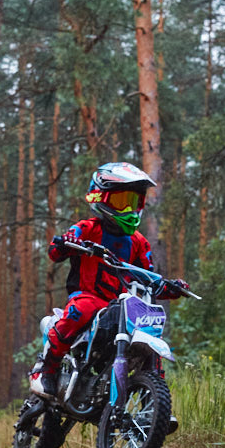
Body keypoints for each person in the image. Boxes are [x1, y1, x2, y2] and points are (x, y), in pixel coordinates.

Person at [30, 162, 187, 402]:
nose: (128, 209)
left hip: (121, 306)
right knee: (82, 309)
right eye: (120, 201)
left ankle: (153, 403)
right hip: (88, 297)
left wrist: (170, 287)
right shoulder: (87, 228)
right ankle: (46, 368)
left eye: (133, 202)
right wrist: (66, 242)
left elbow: (148, 278)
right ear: (101, 198)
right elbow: (55, 252)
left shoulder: (138, 242)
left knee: (149, 328)